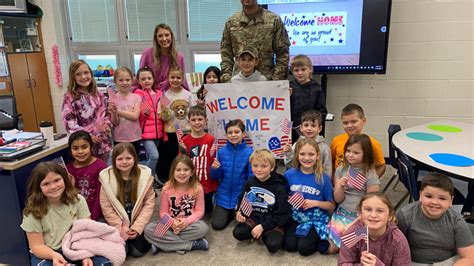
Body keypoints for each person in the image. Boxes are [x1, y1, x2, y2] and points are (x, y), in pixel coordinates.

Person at [21, 162, 111, 265]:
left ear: (65, 179)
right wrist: (54, 256)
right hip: (48, 253)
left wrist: (85, 255)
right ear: (38, 188)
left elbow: (86, 232)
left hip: (76, 246)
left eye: (57, 180)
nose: (53, 186)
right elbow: (37, 246)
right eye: (46, 184)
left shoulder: (78, 200)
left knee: (105, 262)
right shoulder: (32, 211)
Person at [396, 173, 474, 265]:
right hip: (412, 262)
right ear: (420, 196)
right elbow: (392, 246)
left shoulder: (457, 221)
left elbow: (468, 257)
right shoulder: (405, 215)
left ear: (450, 201)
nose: (435, 202)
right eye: (428, 196)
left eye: (442, 198)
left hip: (448, 261)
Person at [144, 155, 209, 254]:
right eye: (178, 170)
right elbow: (163, 212)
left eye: (186, 170)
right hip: (170, 223)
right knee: (149, 230)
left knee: (203, 228)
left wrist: (186, 222)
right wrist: (172, 223)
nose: (182, 173)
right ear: (173, 172)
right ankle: (191, 245)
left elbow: (200, 211)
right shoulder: (167, 188)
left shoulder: (197, 188)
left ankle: (161, 244)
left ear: (191, 172)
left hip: (189, 224)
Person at [99, 143, 155, 258]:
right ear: (114, 161)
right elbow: (106, 207)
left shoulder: (144, 177)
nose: (124, 162)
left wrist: (137, 227)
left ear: (135, 158)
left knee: (138, 252)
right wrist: (120, 227)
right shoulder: (107, 179)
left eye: (128, 158)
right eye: (120, 159)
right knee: (120, 251)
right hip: (118, 223)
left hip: (135, 221)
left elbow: (148, 205)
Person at [327, 134, 380, 252]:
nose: (350, 155)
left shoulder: (371, 174)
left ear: (365, 154)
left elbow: (373, 204)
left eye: (356, 153)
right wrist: (340, 186)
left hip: (361, 218)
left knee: (352, 248)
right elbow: (338, 199)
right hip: (342, 213)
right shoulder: (341, 169)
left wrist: (357, 222)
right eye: (348, 151)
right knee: (331, 248)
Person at [284, 138, 335, 256]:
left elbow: (331, 205)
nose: (306, 158)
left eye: (311, 154)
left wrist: (315, 203)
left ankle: (322, 239)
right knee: (290, 246)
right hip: (295, 217)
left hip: (315, 220)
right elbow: (284, 197)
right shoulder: (289, 174)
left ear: (317, 156)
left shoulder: (323, 178)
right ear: (297, 155)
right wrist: (290, 200)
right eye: (302, 154)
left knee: (303, 249)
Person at [233, 149, 290, 253]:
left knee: (273, 246)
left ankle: (262, 235)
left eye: (264, 166)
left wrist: (263, 226)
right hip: (256, 217)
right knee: (238, 233)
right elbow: (243, 201)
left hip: (272, 220)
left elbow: (282, 215)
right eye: (255, 166)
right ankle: (257, 232)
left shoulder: (279, 187)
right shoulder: (250, 182)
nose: (259, 169)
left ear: (272, 167)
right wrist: (240, 214)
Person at [220, 0, 290, 82]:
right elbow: (226, 54)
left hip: (267, 81)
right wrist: (228, 81)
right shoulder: (231, 23)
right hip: (238, 83)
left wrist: (276, 80)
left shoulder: (274, 20)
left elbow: (283, 53)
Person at [338, 192, 411, 265]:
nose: (373, 215)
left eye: (380, 211)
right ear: (360, 213)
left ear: (390, 216)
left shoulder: (397, 239)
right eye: (368, 209)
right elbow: (343, 263)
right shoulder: (352, 234)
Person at [61, 59, 112, 162]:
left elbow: (107, 114)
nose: (84, 77)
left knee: (102, 173)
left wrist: (107, 125)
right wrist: (87, 136)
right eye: (78, 74)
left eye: (86, 72)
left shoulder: (99, 94)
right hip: (84, 146)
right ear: (73, 78)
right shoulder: (69, 98)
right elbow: (69, 123)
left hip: (103, 143)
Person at [210, 119, 253, 230]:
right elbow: (215, 177)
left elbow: (251, 179)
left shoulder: (249, 153)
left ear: (243, 134)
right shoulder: (221, 152)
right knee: (217, 225)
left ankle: (233, 212)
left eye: (236, 132)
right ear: (226, 135)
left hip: (240, 197)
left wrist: (246, 200)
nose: (233, 135)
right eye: (230, 133)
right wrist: (215, 169)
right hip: (223, 196)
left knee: (242, 225)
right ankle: (227, 213)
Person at [157, 67, 194, 184]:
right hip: (171, 131)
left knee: (186, 157)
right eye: (172, 77)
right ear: (168, 79)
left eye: (178, 77)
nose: (175, 80)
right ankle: (173, 181)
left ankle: (188, 179)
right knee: (172, 158)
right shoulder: (165, 96)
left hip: (187, 131)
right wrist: (164, 112)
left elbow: (193, 112)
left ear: (182, 79)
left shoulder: (188, 95)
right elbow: (163, 117)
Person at [330, 103, 385, 178]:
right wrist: (332, 179)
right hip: (339, 184)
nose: (349, 126)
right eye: (345, 123)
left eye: (354, 121)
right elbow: (332, 161)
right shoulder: (336, 140)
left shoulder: (373, 144)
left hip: (360, 187)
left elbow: (381, 166)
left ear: (364, 121)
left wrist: (370, 182)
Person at [181, 105, 218, 214]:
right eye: (193, 120)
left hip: (208, 184)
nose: (197, 122)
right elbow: (181, 163)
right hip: (191, 184)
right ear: (189, 122)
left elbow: (214, 162)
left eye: (200, 119)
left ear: (206, 121)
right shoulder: (185, 140)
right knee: (190, 211)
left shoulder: (211, 139)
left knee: (207, 212)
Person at [66, 130, 108, 221]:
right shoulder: (68, 169)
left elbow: (101, 197)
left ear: (91, 147)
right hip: (76, 215)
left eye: (84, 147)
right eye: (75, 148)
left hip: (97, 215)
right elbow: (67, 196)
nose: (80, 152)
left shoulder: (101, 167)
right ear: (70, 150)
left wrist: (92, 219)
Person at [133, 67, 165, 180]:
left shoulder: (160, 93)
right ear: (138, 80)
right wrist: (144, 114)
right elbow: (138, 117)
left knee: (150, 158)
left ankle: (150, 179)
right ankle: (147, 180)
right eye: (143, 79)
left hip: (159, 132)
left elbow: (167, 109)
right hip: (145, 133)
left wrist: (166, 112)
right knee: (154, 156)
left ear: (153, 79)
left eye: (149, 78)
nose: (146, 81)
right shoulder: (138, 95)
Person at [138, 23, 188, 91]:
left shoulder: (179, 57)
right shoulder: (147, 53)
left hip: (171, 94)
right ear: (156, 38)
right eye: (160, 36)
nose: (164, 39)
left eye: (167, 35)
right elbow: (141, 75)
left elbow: (181, 80)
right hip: (151, 94)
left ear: (171, 36)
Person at [289, 54, 327, 143]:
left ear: (310, 69)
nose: (300, 73)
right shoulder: (289, 87)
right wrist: (287, 98)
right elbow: (282, 111)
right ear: (292, 72)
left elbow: (322, 112)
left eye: (303, 69)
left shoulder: (317, 89)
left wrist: (312, 125)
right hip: (290, 131)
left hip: (309, 132)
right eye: (296, 70)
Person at [284, 110, 331, 176]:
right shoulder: (297, 145)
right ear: (301, 128)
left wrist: (325, 182)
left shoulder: (324, 148)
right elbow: (290, 166)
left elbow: (327, 169)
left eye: (313, 125)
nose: (309, 128)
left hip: (317, 182)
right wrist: (289, 153)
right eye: (306, 125)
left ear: (319, 128)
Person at [109, 66, 142, 154]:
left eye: (127, 80)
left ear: (132, 80)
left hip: (135, 136)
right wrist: (113, 113)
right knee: (120, 161)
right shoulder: (113, 98)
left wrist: (117, 111)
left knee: (134, 161)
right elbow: (115, 122)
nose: (124, 83)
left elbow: (135, 116)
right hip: (119, 137)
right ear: (115, 81)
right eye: (121, 80)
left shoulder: (137, 97)